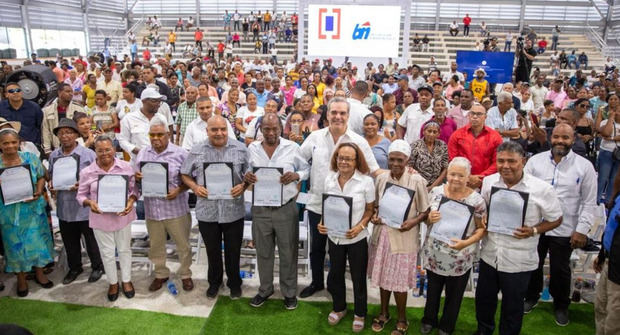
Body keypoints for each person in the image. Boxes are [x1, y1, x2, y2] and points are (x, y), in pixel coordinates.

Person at [475, 141, 563, 335]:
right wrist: (485, 217)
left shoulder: (541, 189)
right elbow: (484, 210)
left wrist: (533, 230)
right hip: (490, 255)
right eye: (501, 161)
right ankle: (483, 332)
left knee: (513, 309)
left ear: (523, 161)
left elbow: (556, 219)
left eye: (511, 161)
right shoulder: (489, 182)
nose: (505, 166)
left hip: (519, 261)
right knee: (484, 303)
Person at [298, 97, 380, 299]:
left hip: (348, 209)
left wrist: (403, 174)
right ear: (327, 114)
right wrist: (300, 176)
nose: (338, 116)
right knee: (316, 249)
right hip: (318, 204)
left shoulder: (358, 141)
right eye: (334, 112)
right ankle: (317, 283)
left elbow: (374, 171)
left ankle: (336, 286)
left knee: (338, 252)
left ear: (348, 116)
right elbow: (299, 163)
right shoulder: (315, 138)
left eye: (342, 113)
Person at [522, 124, 597, 326]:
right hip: (535, 225)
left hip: (565, 228)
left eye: (565, 137)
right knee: (532, 263)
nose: (560, 141)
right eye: (556, 137)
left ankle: (561, 305)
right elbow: (524, 191)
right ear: (550, 137)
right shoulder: (535, 162)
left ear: (573, 140)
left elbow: (590, 202)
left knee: (560, 269)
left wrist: (581, 230)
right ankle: (531, 296)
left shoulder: (584, 166)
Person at [244, 113, 310, 309]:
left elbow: (306, 169)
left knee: (288, 251)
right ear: (260, 130)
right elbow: (246, 170)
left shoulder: (292, 148)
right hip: (260, 208)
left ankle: (289, 292)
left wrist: (296, 175)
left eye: (274, 129)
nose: (271, 133)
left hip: (285, 208)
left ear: (281, 129)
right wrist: (247, 176)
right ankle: (265, 289)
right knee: (263, 252)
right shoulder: (252, 148)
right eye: (266, 129)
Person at [180, 115, 249, 299]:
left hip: (233, 210)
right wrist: (195, 187)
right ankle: (214, 282)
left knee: (233, 251)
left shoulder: (240, 149)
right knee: (212, 251)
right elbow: (184, 174)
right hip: (207, 211)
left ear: (227, 129)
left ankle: (234, 283)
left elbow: (249, 175)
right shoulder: (197, 150)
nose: (219, 133)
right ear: (207, 131)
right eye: (214, 130)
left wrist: (243, 186)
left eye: (223, 129)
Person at [367, 140, 429, 334]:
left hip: (404, 236)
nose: (395, 163)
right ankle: (384, 313)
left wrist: (413, 222)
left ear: (407, 160)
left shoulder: (416, 180)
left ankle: (403, 318)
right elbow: (376, 205)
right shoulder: (382, 179)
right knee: (383, 277)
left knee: (400, 281)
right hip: (383, 235)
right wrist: (375, 216)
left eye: (399, 160)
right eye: (391, 159)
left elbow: (425, 210)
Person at [421, 157, 487, 335]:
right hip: (435, 253)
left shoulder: (477, 201)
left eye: (461, 175)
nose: (456, 178)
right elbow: (427, 219)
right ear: (446, 174)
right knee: (432, 291)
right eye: (452, 174)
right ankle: (429, 320)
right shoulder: (435, 192)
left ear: (468, 177)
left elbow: (481, 229)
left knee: (454, 295)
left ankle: (446, 326)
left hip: (460, 257)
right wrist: (429, 219)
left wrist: (466, 243)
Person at [317, 142, 375, 332]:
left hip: (356, 239)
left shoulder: (366, 182)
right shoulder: (329, 179)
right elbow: (328, 205)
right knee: (335, 274)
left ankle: (360, 313)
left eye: (348, 158)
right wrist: (322, 221)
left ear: (357, 160)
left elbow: (369, 210)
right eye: (341, 157)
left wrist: (359, 227)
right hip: (335, 237)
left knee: (358, 278)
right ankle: (339, 307)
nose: (344, 162)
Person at [76, 135, 138, 301]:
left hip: (122, 216)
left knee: (125, 249)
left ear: (114, 149)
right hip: (100, 218)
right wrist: (89, 203)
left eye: (108, 149)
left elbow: (134, 191)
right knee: (107, 253)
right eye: (100, 150)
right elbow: (80, 195)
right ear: (94, 151)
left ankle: (126, 280)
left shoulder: (126, 167)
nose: (104, 153)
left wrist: (131, 201)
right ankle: (112, 282)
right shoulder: (87, 172)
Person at [135, 118, 193, 292]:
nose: (155, 138)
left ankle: (185, 274)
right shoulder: (143, 154)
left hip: (176, 209)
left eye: (160, 134)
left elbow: (191, 179)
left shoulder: (180, 153)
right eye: (152, 134)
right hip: (153, 210)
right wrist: (137, 178)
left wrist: (179, 190)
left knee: (183, 246)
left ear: (168, 135)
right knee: (156, 245)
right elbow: (136, 180)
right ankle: (160, 273)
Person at [48, 119, 104, 285]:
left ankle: (97, 266)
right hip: (65, 206)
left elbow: (99, 175)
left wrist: (84, 185)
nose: (65, 136)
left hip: (85, 206)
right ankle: (75, 267)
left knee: (91, 239)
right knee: (69, 240)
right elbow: (51, 176)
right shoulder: (54, 156)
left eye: (69, 132)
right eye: (61, 133)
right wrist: (53, 185)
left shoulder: (88, 154)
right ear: (57, 135)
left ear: (76, 135)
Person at [0, 128, 54, 297]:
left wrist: (38, 192)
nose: (10, 146)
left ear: (19, 143)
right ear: (0, 145)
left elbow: (41, 177)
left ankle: (40, 273)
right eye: (5, 143)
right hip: (9, 212)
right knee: (14, 246)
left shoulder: (30, 158)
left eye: (13, 142)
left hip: (32, 209)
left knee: (36, 242)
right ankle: (21, 279)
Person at [448, 104, 503, 189]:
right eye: (472, 113)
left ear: (485, 116)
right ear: (468, 116)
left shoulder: (495, 137)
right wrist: (467, 177)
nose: (475, 116)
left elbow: (497, 162)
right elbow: (452, 159)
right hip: (460, 180)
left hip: (485, 182)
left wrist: (480, 177)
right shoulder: (457, 135)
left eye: (479, 114)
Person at [594, 183, 620, 335]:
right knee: (601, 307)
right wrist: (602, 254)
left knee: (614, 321)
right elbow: (611, 227)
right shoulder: (618, 195)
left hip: (618, 272)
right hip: (610, 262)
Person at [118, 87, 170, 162]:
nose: (158, 104)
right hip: (138, 161)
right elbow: (123, 140)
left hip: (160, 161)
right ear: (144, 101)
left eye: (159, 101)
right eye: (154, 101)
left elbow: (166, 138)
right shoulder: (129, 118)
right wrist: (135, 150)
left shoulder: (162, 118)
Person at [41, 83, 85, 154]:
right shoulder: (47, 110)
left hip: (76, 148)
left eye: (71, 91)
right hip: (56, 148)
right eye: (67, 91)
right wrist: (47, 150)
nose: (71, 94)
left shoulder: (79, 109)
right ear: (59, 92)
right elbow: (45, 131)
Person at [0, 82, 43, 146]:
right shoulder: (1, 107)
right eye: (11, 91)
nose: (15, 93)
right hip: (8, 146)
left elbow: (40, 126)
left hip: (31, 145)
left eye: (18, 90)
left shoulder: (34, 107)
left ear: (21, 92)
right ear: (6, 94)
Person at [410, 121, 449, 189]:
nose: (431, 134)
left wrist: (432, 187)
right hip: (417, 184)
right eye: (429, 131)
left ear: (438, 134)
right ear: (424, 132)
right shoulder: (415, 145)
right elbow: (409, 167)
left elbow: (445, 168)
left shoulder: (442, 145)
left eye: (434, 132)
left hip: (437, 185)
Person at [597, 106, 620, 203]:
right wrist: (611, 118)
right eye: (618, 110)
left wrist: (612, 138)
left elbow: (608, 137)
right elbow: (606, 132)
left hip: (618, 153)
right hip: (606, 152)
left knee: (614, 178)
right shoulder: (605, 122)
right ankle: (596, 200)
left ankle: (608, 201)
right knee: (603, 177)